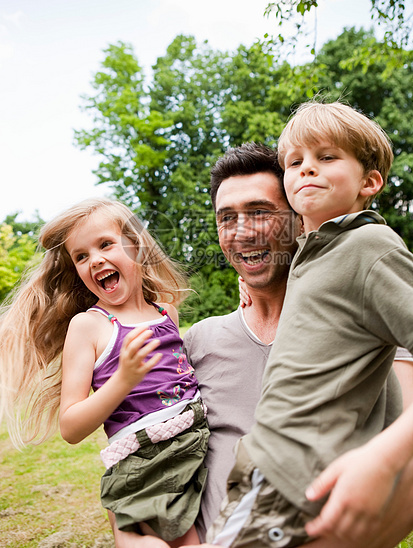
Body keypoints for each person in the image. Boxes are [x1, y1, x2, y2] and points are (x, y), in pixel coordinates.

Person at [207, 102, 413, 548]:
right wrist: (251, 285)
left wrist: (383, 458)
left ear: (370, 181)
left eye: (327, 158)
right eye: (295, 163)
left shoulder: (370, 248)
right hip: (263, 474)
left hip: (292, 479)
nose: (307, 171)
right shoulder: (312, 258)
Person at [0, 197, 209, 548]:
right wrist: (122, 380)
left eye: (106, 244)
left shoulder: (166, 312)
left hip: (196, 447)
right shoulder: (89, 327)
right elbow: (71, 426)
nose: (95, 259)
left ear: (137, 248)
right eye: (81, 256)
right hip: (144, 465)